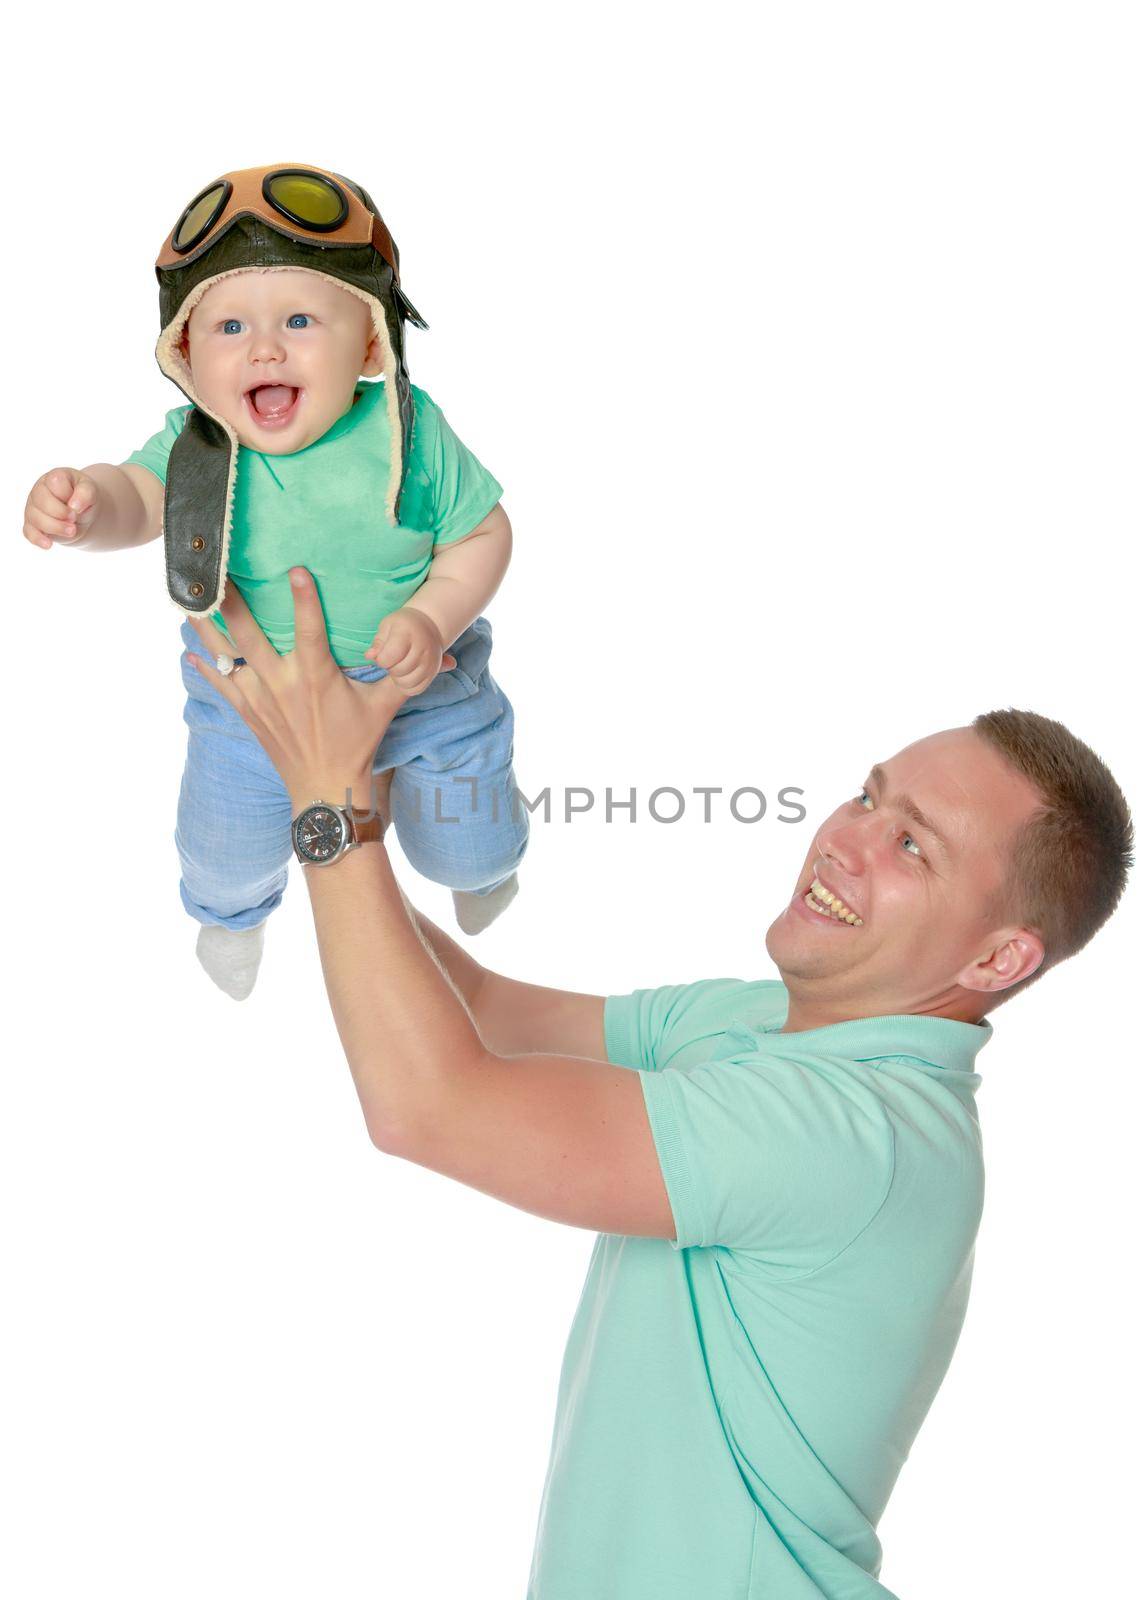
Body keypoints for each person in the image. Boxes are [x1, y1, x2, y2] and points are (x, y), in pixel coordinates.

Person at [190, 574, 1130, 1600]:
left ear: (999, 960)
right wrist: (335, 775)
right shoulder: (762, 1026)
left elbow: (429, 1105)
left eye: (913, 846)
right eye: (870, 795)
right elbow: (482, 1016)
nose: (845, 840)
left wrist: (329, 804)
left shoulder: (856, 1133)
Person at [21, 162, 528, 1001]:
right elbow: (136, 499)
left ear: (368, 340)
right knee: (220, 848)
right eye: (227, 328)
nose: (264, 347)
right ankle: (232, 915)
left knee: (466, 845)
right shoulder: (198, 448)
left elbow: (482, 532)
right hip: (246, 702)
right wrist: (85, 504)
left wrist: (435, 618)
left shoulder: (408, 428)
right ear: (185, 354)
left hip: (422, 689)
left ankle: (486, 866)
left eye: (299, 319)